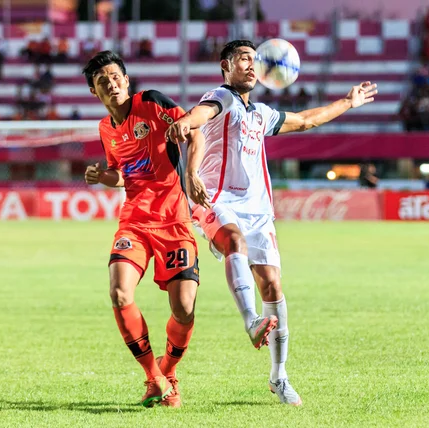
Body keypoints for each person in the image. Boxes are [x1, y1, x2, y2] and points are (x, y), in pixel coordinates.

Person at [165, 40, 378, 406]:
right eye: (243, 58)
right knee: (233, 241)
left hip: (258, 209)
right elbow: (201, 115)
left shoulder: (261, 113)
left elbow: (307, 120)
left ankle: (279, 377)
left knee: (274, 287)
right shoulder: (221, 96)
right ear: (225, 66)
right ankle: (251, 321)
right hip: (215, 199)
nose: (250, 64)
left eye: (254, 59)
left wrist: (348, 102)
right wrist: (185, 124)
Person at [82, 51, 206, 408]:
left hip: (174, 220)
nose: (111, 83)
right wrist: (101, 176)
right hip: (134, 221)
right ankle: (154, 378)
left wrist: (191, 173)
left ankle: (169, 372)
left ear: (126, 80)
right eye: (102, 80)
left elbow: (193, 132)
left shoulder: (151, 103)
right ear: (94, 91)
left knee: (183, 308)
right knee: (120, 293)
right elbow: (121, 174)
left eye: (115, 76)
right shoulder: (106, 129)